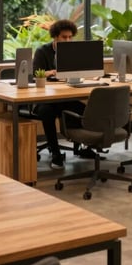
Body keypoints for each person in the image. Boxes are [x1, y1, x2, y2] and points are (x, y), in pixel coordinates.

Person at [32, 19, 88, 169]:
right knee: (47, 112)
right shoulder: (42, 51)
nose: (68, 40)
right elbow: (35, 74)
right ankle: (56, 153)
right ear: (55, 37)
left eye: (70, 37)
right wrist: (51, 73)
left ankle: (84, 147)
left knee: (85, 110)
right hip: (45, 100)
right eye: (64, 37)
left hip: (66, 97)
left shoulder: (74, 52)